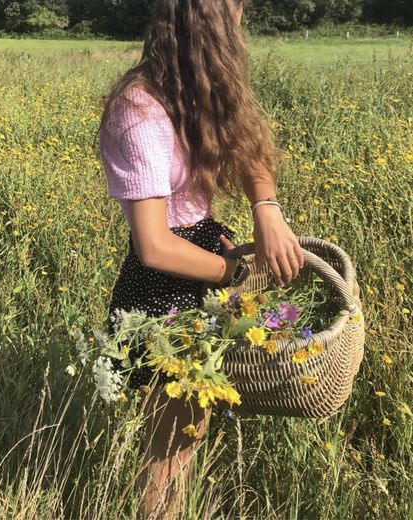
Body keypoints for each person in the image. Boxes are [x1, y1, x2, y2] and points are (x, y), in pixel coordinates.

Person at [96, 1, 304, 516]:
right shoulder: (139, 108)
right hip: (168, 280)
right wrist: (233, 272)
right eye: (236, 12)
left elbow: (248, 145)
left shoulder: (198, 82)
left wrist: (267, 209)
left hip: (207, 250)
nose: (241, 24)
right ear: (207, 22)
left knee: (196, 417)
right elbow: (154, 244)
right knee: (169, 443)